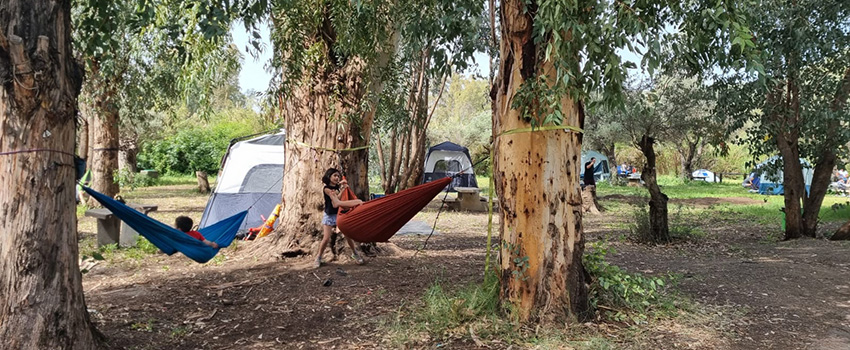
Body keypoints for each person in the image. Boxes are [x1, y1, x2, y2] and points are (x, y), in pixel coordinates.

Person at [315, 168, 366, 268]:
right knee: (326, 238)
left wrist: (342, 188)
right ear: (329, 176)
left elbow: (338, 198)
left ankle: (355, 254)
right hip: (329, 215)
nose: (336, 178)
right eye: (334, 175)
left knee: (348, 235)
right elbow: (335, 203)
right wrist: (356, 202)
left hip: (339, 214)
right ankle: (318, 257)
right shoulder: (326, 189)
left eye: (338, 176)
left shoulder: (338, 187)